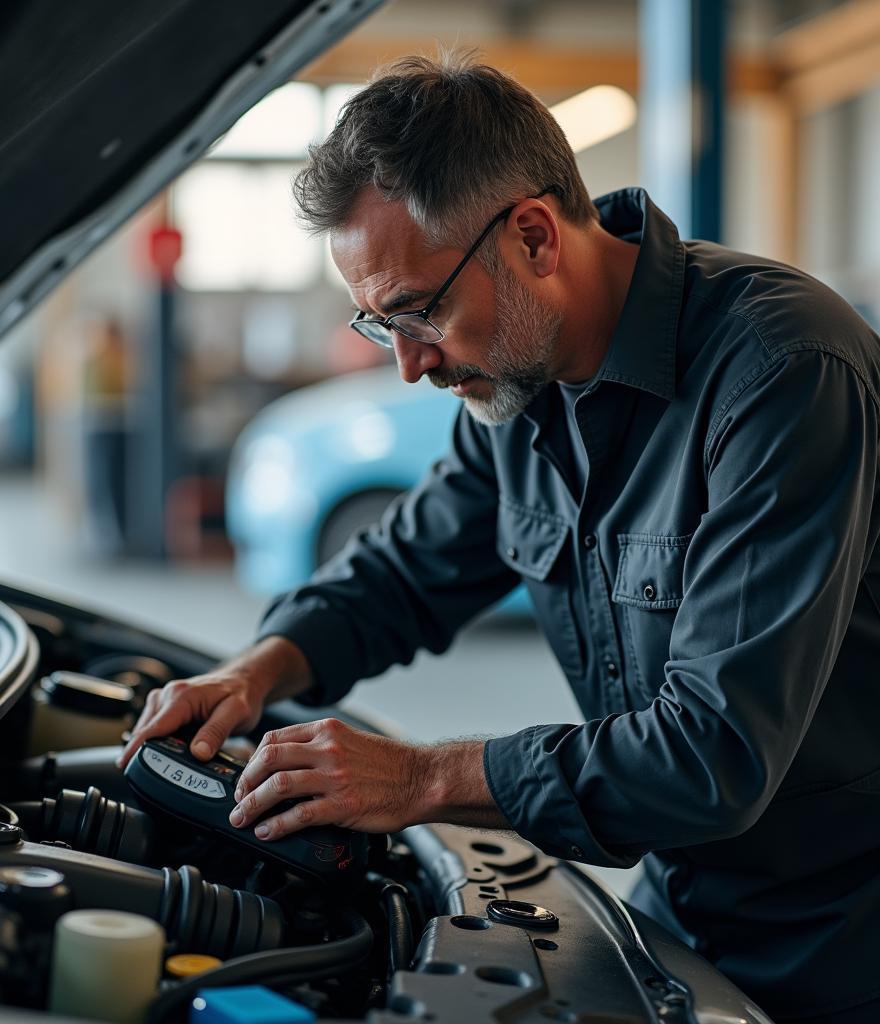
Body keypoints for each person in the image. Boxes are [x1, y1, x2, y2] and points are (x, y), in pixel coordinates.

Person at [118, 54, 880, 1023]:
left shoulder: (781, 375)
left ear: (531, 236)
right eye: (375, 319)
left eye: (418, 310)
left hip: (847, 935)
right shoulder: (522, 385)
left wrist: (421, 776)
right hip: (683, 901)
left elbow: (711, 754)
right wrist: (252, 673)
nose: (406, 364)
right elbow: (400, 571)